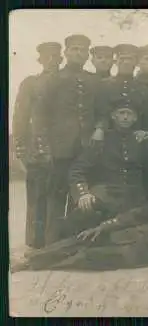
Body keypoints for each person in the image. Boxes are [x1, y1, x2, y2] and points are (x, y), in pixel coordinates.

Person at [11, 168, 148, 272]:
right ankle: (30, 259)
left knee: (87, 257)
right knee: (84, 238)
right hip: (125, 236)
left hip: (138, 253)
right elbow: (133, 216)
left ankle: (33, 266)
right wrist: (103, 227)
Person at [49, 99, 148, 243]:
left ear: (135, 118)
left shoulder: (141, 141)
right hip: (107, 198)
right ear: (113, 116)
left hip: (134, 201)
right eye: (121, 113)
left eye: (129, 114)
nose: (125, 117)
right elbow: (77, 170)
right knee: (79, 228)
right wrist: (83, 194)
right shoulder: (102, 140)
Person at [36, 34, 99, 243]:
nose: (78, 53)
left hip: (85, 148)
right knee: (56, 194)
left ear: (88, 55)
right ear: (66, 53)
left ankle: (73, 242)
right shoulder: (54, 79)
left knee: (80, 195)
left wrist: (99, 128)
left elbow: (102, 111)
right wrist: (44, 147)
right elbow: (40, 114)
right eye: (74, 49)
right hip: (59, 147)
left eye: (83, 50)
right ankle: (51, 243)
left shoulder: (93, 80)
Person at [12, 42, 63, 248]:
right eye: (47, 57)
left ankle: (55, 242)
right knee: (37, 198)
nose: (52, 61)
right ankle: (35, 244)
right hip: (37, 148)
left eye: (56, 57)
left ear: (61, 60)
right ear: (40, 60)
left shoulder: (66, 82)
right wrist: (21, 148)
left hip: (63, 149)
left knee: (57, 198)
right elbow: (20, 117)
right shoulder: (31, 83)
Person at [93, 44, 144, 143]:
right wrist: (100, 128)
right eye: (122, 59)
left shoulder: (142, 86)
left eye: (130, 59)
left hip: (136, 137)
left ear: (136, 62)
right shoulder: (105, 85)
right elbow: (101, 111)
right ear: (116, 62)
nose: (126, 62)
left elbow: (145, 113)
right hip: (109, 137)